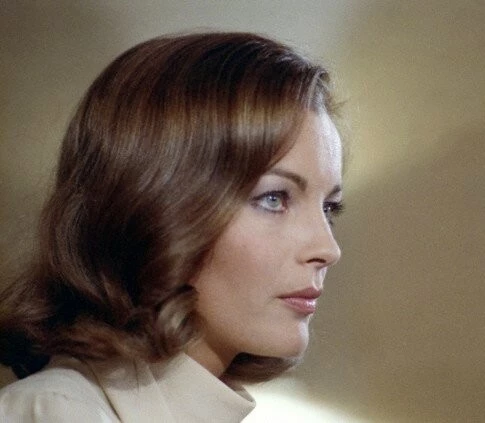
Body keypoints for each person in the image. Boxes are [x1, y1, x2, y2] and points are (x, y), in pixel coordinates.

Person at [0, 31, 344, 422]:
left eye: (330, 207)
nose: (328, 249)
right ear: (154, 206)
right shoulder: (57, 412)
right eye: (274, 199)